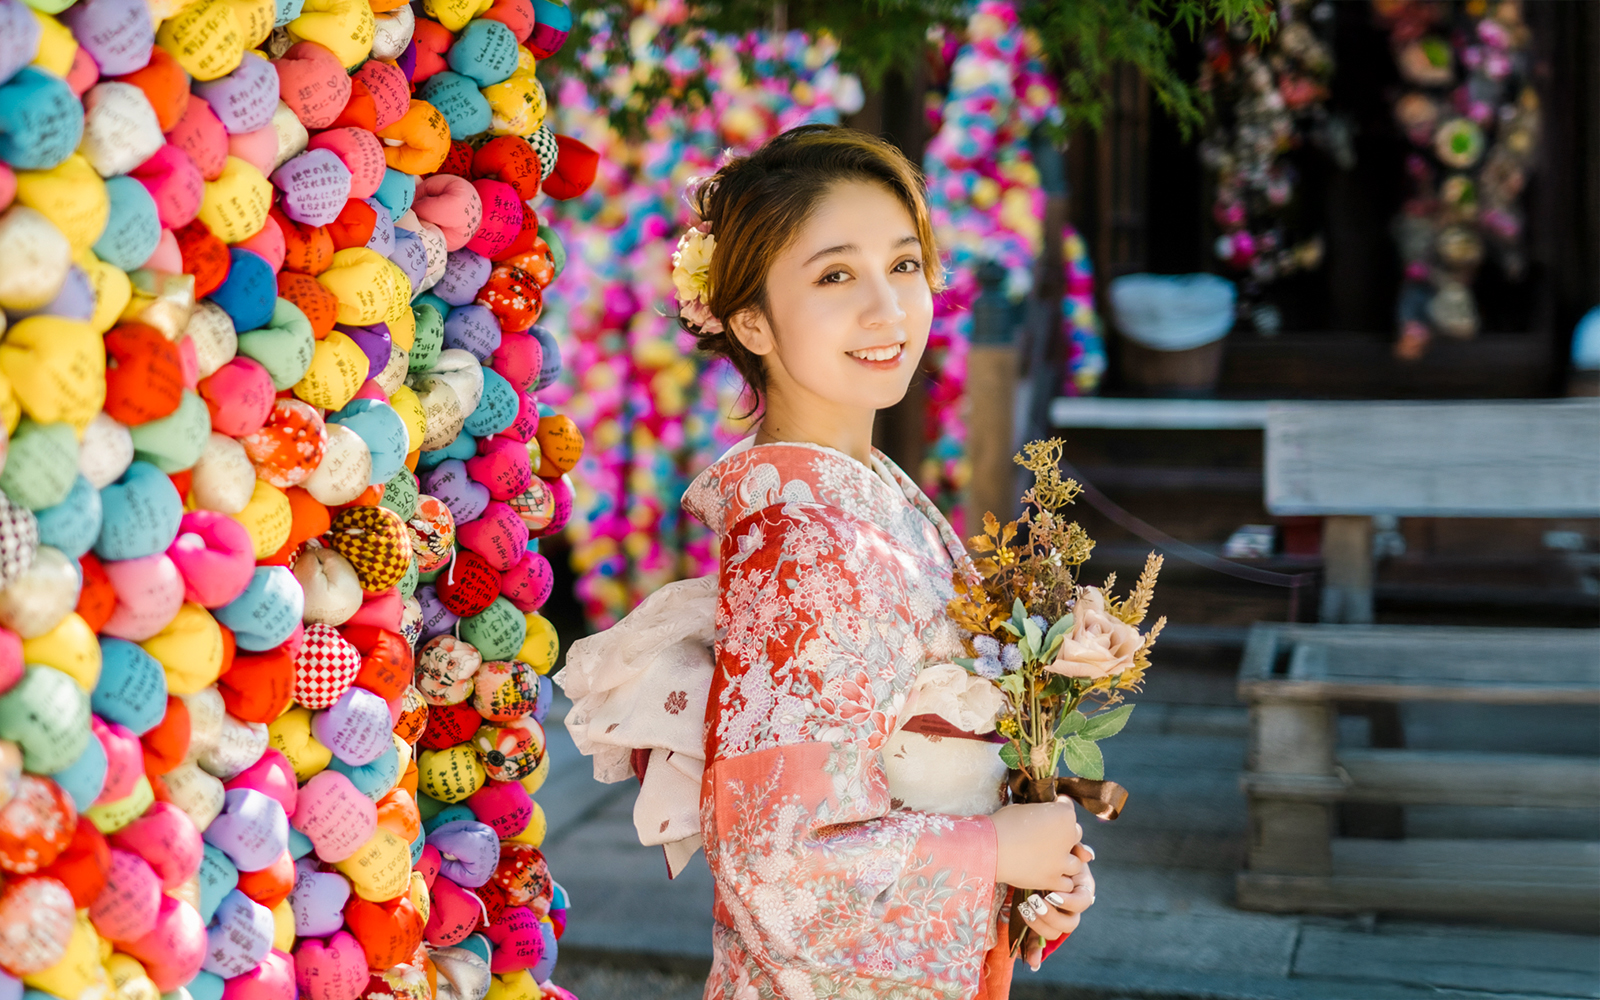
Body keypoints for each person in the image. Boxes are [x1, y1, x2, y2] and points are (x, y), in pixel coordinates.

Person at [561, 124, 1093, 1000]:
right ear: (751, 320)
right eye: (836, 275)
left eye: (906, 265)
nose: (887, 308)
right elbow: (777, 863)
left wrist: (1031, 875)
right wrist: (998, 849)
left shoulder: (864, 499)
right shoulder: (803, 542)